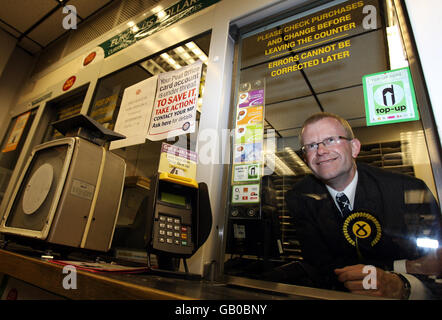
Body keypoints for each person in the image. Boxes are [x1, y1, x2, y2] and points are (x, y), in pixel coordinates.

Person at [285, 112, 442, 299]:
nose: (321, 151)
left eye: (331, 140)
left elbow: (433, 265)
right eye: (311, 146)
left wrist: (400, 281)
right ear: (305, 158)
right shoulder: (299, 197)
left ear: (354, 148)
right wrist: (402, 265)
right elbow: (319, 265)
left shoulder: (406, 190)